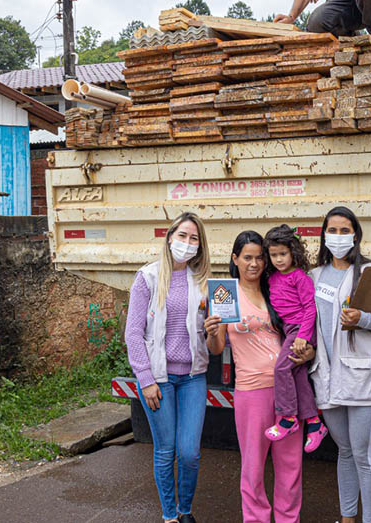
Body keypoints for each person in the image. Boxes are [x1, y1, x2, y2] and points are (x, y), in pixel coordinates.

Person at [296, 207, 371, 523]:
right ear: (323, 234)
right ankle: (347, 517)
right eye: (333, 230)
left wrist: (363, 319)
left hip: (364, 377)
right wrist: (307, 350)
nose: (338, 237)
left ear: (355, 235)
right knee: (344, 451)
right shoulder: (314, 276)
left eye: (345, 231)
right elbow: (311, 324)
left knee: (365, 456)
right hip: (328, 377)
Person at [204, 231, 303, 523]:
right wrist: (211, 333)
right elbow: (217, 347)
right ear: (235, 259)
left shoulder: (275, 289)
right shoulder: (225, 292)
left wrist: (306, 352)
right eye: (247, 257)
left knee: (290, 464)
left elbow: (296, 330)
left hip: (288, 388)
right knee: (253, 466)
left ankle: (289, 519)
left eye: (260, 257)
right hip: (252, 390)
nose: (254, 263)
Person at [124, 212, 211, 523]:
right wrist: (145, 380)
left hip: (192, 378)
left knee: (189, 452)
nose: (187, 243)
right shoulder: (147, 278)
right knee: (165, 450)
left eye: (194, 239)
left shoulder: (202, 283)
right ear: (169, 237)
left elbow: (210, 334)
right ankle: (170, 516)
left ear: (200, 247)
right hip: (158, 379)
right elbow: (133, 333)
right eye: (183, 236)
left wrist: (215, 330)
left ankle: (186, 510)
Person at [261, 225, 328, 453]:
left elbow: (310, 308)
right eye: (274, 255)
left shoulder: (300, 277)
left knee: (281, 369)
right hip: (289, 330)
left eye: (283, 254)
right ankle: (314, 424)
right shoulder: (272, 278)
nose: (279, 259)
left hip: (301, 330)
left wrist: (302, 337)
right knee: (297, 376)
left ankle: (287, 418)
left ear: (293, 253)